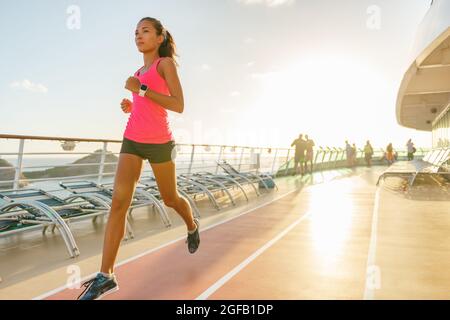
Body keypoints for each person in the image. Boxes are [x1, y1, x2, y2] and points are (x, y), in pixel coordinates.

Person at [77, 17, 199, 300]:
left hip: (160, 144)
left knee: (170, 198)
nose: (138, 36)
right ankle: (106, 276)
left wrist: (141, 90)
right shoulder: (138, 70)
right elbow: (146, 104)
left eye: (145, 31)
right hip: (132, 139)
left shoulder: (164, 64)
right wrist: (132, 104)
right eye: (135, 32)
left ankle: (192, 225)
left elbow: (178, 105)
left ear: (159, 38)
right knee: (119, 202)